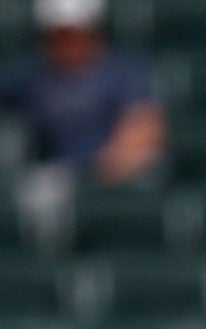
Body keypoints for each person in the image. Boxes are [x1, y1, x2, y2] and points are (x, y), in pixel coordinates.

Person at [0, 0, 163, 241]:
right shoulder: (33, 76)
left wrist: (111, 164)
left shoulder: (120, 73)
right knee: (41, 195)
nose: (66, 41)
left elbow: (144, 126)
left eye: (74, 32)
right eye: (58, 33)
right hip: (59, 174)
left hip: (114, 172)